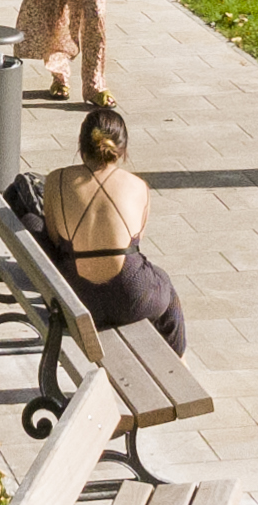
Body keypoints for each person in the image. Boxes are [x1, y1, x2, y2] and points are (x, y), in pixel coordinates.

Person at [39, 105, 185, 354]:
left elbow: (54, 238)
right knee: (166, 289)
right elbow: (136, 241)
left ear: (81, 146)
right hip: (130, 297)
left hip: (77, 297)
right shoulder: (138, 187)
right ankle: (179, 366)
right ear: (122, 149)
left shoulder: (56, 180)